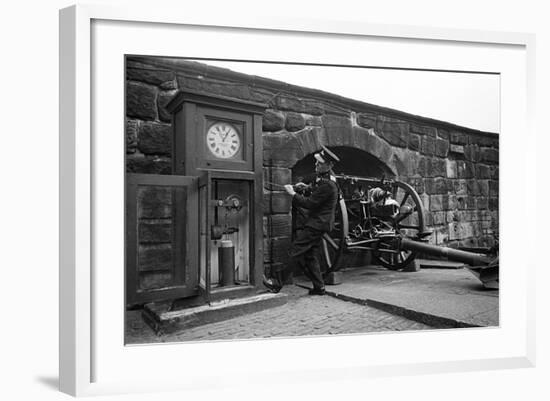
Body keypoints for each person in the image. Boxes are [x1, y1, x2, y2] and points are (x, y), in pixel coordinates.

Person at [263, 145, 340, 295]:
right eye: (316, 162)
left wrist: (292, 194)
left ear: (329, 165)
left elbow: (310, 204)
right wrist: (306, 188)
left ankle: (276, 283)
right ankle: (320, 287)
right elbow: (318, 194)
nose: (316, 164)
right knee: (310, 255)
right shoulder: (326, 179)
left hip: (316, 225)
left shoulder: (327, 184)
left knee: (295, 251)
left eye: (320, 163)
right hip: (320, 224)